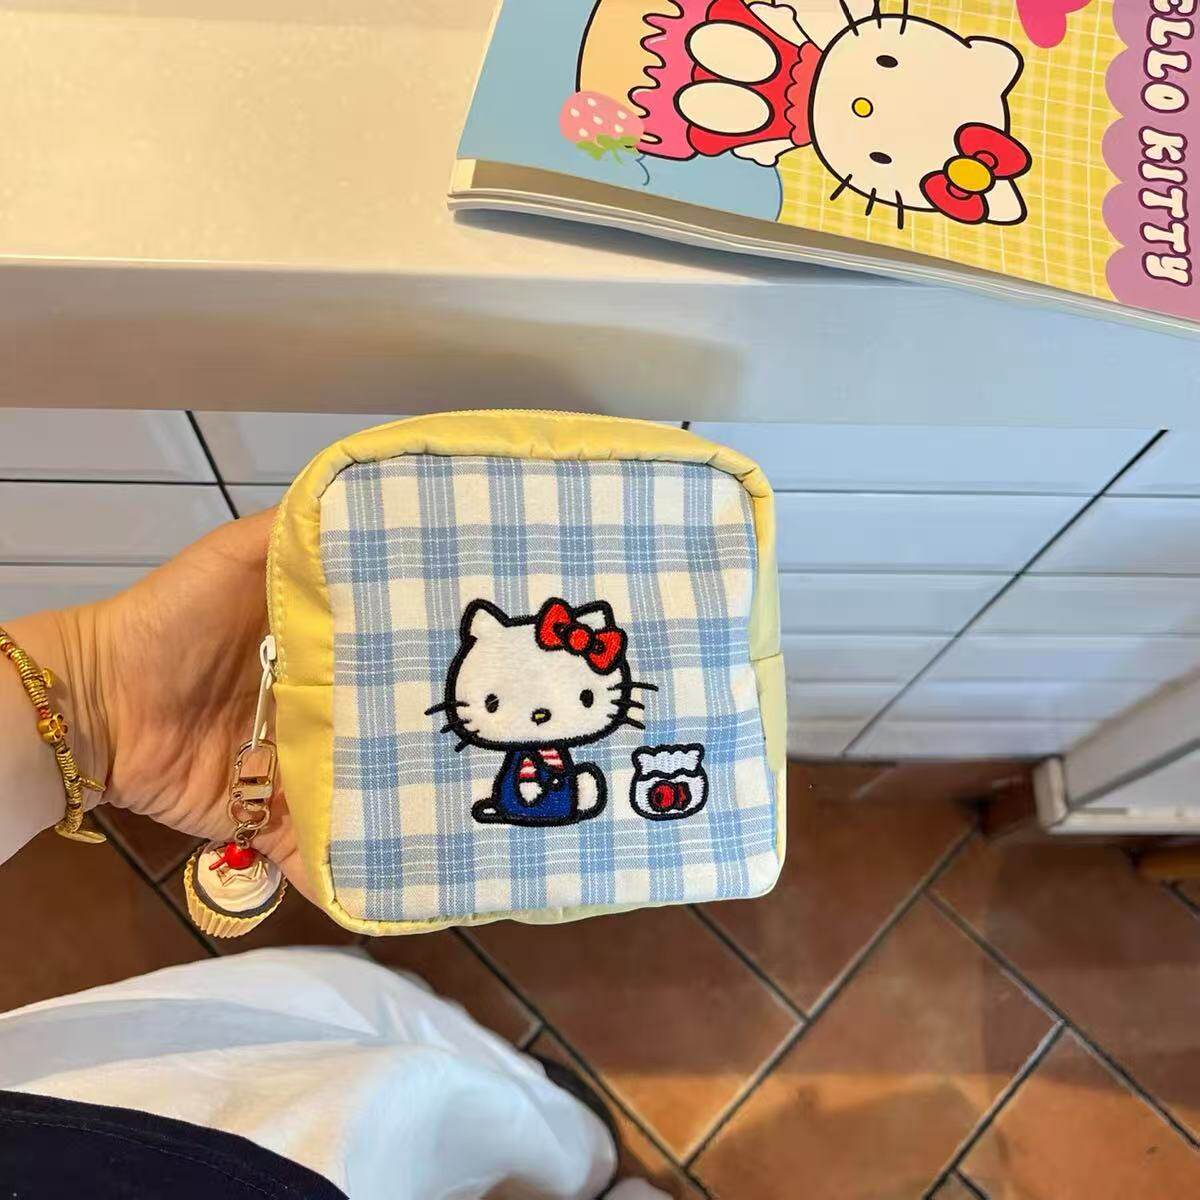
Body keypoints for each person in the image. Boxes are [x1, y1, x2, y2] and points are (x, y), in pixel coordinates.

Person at [0, 510, 667, 1200]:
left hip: (154, 1106)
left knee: (374, 1058)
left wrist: (103, 698)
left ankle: (552, 1139)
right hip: (175, 1119)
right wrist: (96, 691)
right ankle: (566, 1149)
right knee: (393, 1075)